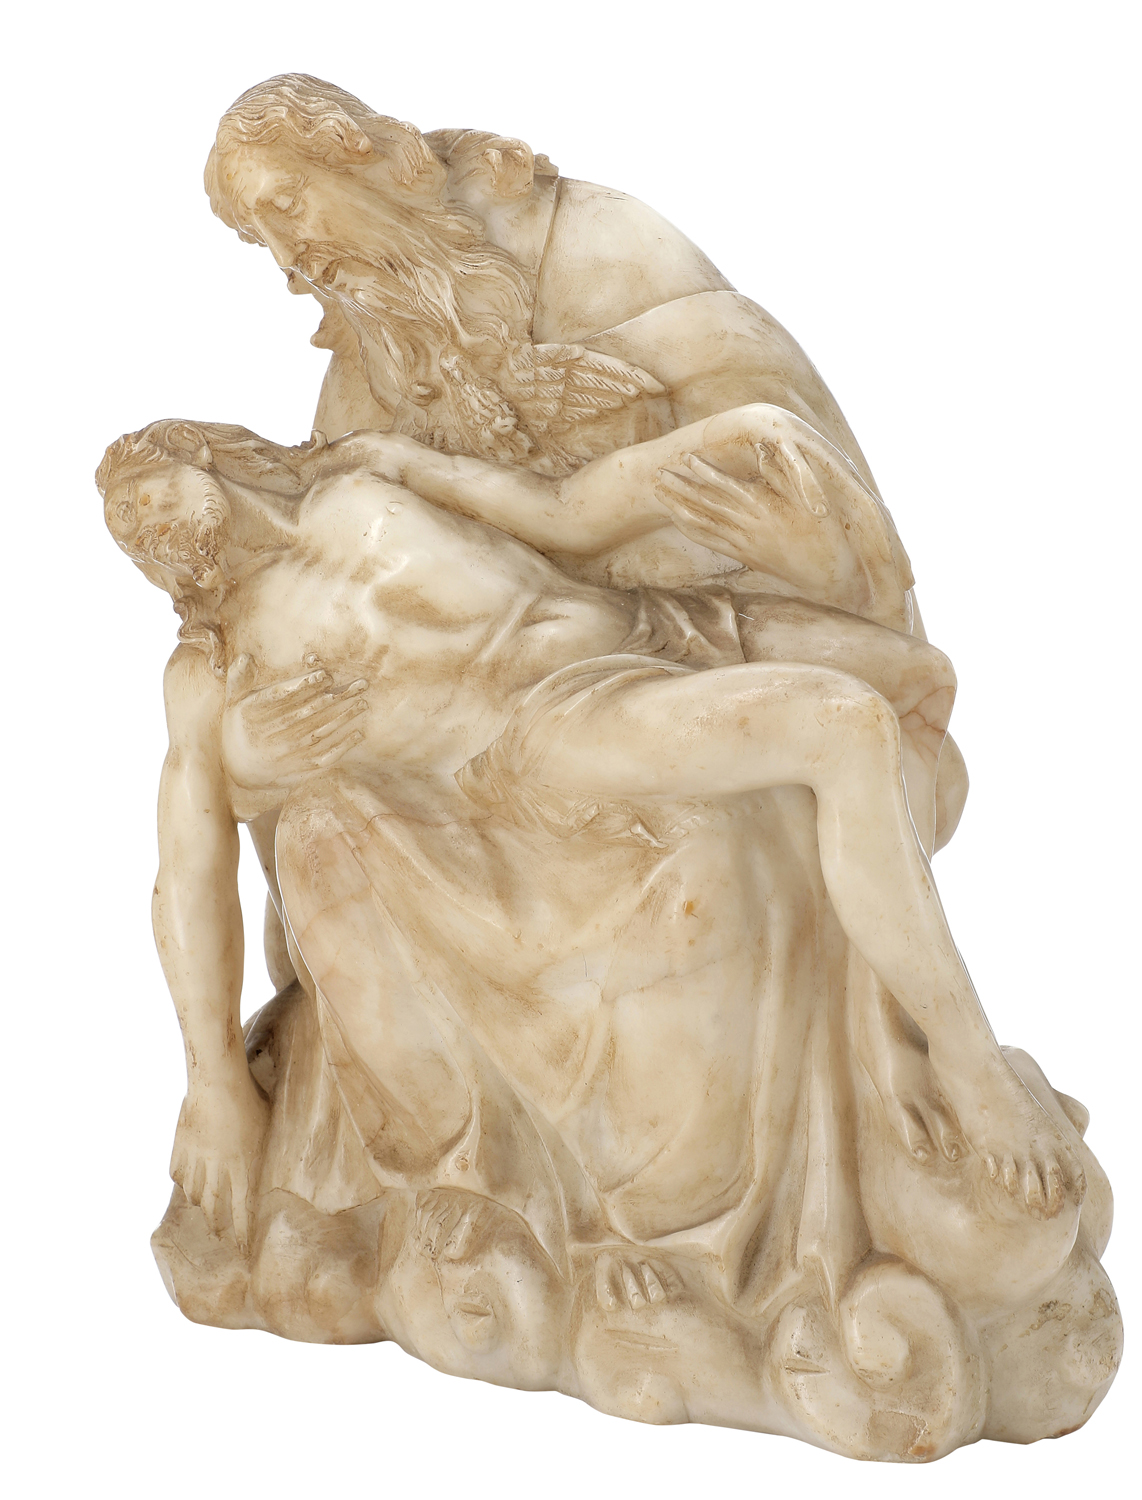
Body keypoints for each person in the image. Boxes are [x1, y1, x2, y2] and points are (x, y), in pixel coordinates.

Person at [97, 412, 1081, 1261]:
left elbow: (561, 515)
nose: (145, 533)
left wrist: (702, 452)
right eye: (128, 533)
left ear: (204, 457)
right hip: (542, 729)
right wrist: (213, 1087)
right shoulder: (213, 670)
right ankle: (970, 1067)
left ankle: (881, 1028)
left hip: (659, 625)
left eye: (148, 497)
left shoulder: (358, 476)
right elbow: (185, 865)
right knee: (843, 726)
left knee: (917, 691)